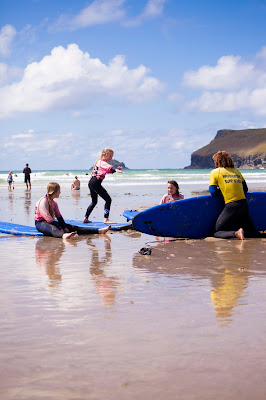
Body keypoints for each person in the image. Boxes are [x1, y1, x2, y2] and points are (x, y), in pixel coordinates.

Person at [209, 151, 265, 240]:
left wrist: (223, 191)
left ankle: (236, 233)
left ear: (217, 162)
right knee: (252, 233)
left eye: (214, 161)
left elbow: (212, 191)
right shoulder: (237, 171)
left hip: (232, 206)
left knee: (217, 232)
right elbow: (245, 189)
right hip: (244, 205)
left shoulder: (215, 172)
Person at [35, 182, 111, 239]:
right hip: (40, 224)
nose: (60, 192)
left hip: (50, 222)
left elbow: (59, 217)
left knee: (73, 227)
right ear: (54, 191)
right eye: (59, 190)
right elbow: (48, 219)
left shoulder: (54, 203)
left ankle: (99, 231)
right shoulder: (43, 201)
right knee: (53, 228)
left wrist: (64, 227)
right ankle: (63, 236)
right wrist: (60, 228)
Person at [83, 148, 123, 224]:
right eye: (110, 156)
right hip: (95, 183)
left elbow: (108, 170)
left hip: (91, 182)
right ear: (105, 155)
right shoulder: (102, 162)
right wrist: (115, 169)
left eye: (112, 156)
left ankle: (86, 218)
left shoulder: (99, 162)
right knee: (108, 200)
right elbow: (110, 167)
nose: (111, 158)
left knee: (94, 202)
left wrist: (115, 169)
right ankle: (106, 219)